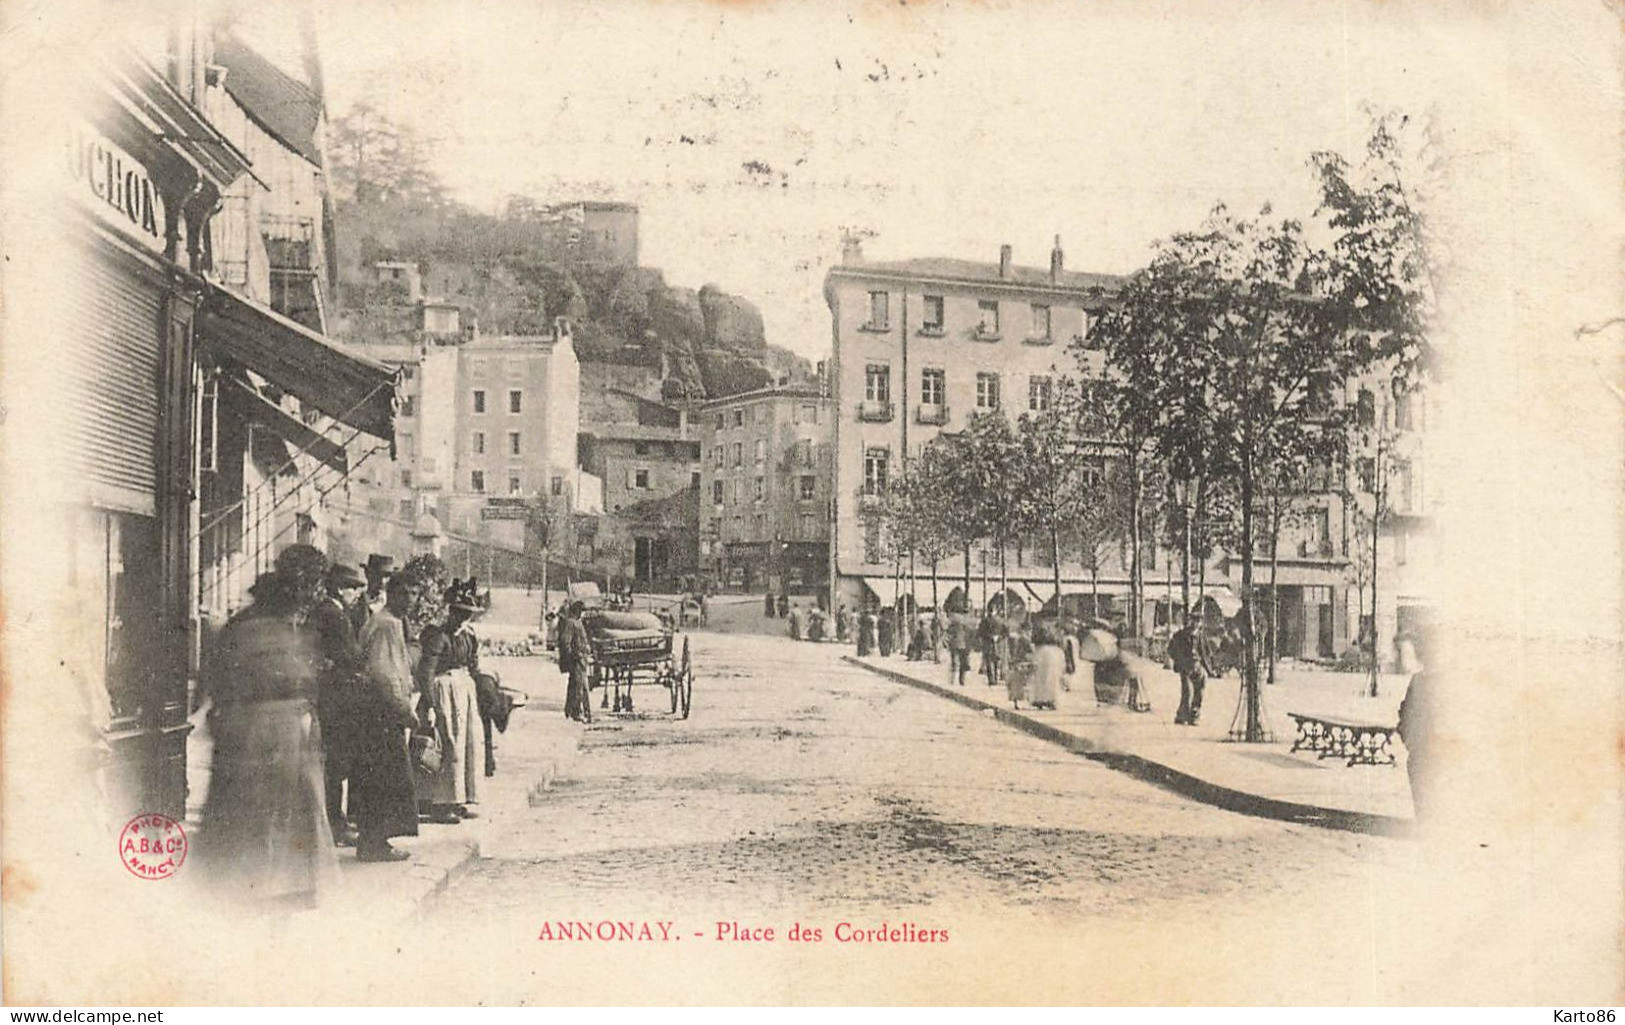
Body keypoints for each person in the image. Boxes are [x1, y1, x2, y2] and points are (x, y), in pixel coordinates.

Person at [195, 544, 338, 906]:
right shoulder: (256, 629)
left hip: (277, 736)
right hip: (263, 735)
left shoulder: (279, 627)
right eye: (311, 588)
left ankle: (268, 891)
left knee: (271, 819)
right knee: (262, 819)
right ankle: (258, 894)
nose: (313, 598)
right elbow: (220, 684)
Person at [351, 574, 422, 862]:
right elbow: (384, 673)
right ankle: (374, 844)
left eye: (414, 594)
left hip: (376, 710)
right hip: (380, 712)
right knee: (385, 777)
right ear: (392, 594)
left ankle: (374, 840)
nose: (410, 600)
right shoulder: (387, 625)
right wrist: (405, 711)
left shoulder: (386, 621)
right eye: (404, 593)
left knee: (378, 777)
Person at [414, 578, 486, 823]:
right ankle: (439, 803)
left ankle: (458, 797)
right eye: (458, 614)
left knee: (465, 744)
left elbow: (473, 665)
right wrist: (431, 704)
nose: (462, 619)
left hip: (463, 692)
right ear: (450, 613)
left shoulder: (467, 636)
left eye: (467, 615)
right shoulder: (438, 636)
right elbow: (426, 671)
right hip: (442, 692)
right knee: (446, 743)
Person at [309, 562, 368, 847]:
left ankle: (333, 820)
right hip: (336, 695)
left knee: (332, 760)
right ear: (341, 588)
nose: (356, 594)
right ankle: (334, 823)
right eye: (353, 588)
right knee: (335, 761)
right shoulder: (334, 614)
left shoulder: (325, 610)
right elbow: (350, 654)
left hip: (328, 692)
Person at [1396, 637, 1433, 824]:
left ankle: (1425, 823)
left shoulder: (1419, 680)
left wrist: (1409, 740)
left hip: (1422, 749)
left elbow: (1405, 713)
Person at [1169, 616, 1214, 725]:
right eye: (1194, 621)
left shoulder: (1201, 636)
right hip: (1185, 667)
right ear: (1190, 621)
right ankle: (1182, 715)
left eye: (1198, 621)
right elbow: (1171, 649)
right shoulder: (1180, 635)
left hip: (1197, 666)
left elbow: (1206, 653)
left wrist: (1209, 669)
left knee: (1200, 690)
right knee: (1188, 692)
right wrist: (1179, 662)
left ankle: (1194, 715)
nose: (1196, 624)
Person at [557, 601, 593, 724]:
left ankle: (570, 711)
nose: (583, 613)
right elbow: (565, 642)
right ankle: (577, 713)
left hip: (581, 659)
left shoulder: (577, 623)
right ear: (578, 611)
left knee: (575, 685)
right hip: (577, 660)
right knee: (580, 687)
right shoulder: (571, 623)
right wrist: (574, 656)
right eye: (582, 611)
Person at [1026, 621, 1066, 710]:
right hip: (1053, 661)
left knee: (1040, 680)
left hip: (1042, 660)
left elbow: (1034, 663)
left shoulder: (1039, 649)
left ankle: (1040, 700)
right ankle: (1051, 700)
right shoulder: (1057, 650)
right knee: (1052, 680)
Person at [356, 553, 396, 632]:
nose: (382, 581)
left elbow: (411, 640)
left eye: (387, 576)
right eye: (377, 575)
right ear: (367, 574)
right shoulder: (355, 603)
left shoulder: (394, 605)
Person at [946, 608, 973, 686]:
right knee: (961, 664)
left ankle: (954, 680)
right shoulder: (965, 626)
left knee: (957, 663)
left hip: (959, 646)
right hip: (961, 646)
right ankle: (959, 680)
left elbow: (948, 635)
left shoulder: (955, 625)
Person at [978, 610, 1002, 686]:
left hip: (988, 644)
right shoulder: (999, 620)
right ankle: (995, 678)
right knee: (995, 662)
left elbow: (980, 632)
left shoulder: (985, 621)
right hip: (996, 644)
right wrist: (998, 637)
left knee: (990, 662)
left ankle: (992, 679)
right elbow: (1005, 632)